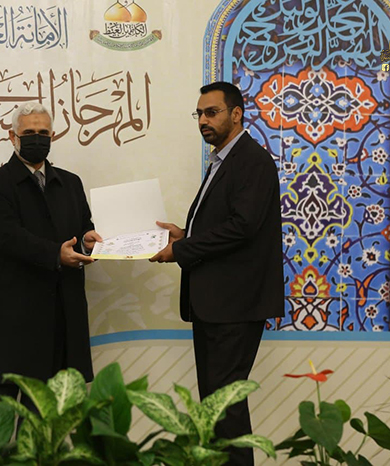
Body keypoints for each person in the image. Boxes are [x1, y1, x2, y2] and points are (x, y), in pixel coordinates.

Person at [150, 82, 284, 465]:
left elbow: (243, 227)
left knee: (226, 408)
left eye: (212, 112)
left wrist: (181, 250)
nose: (203, 121)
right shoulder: (223, 160)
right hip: (214, 305)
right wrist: (185, 234)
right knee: (215, 406)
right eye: (199, 114)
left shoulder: (252, 161)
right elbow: (224, 223)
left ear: (236, 114)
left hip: (235, 306)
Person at [0, 102, 102, 401]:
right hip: (11, 316)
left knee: (50, 416)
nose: (37, 139)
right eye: (29, 133)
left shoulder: (70, 183)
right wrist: (57, 254)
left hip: (61, 316)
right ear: (12, 136)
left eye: (43, 133)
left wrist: (88, 242)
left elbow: (83, 227)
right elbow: (8, 237)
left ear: (52, 136)